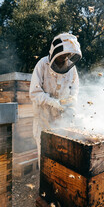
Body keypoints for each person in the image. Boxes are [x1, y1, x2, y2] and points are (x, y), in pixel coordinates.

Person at [29, 33, 82, 168]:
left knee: (62, 157)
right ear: (54, 52)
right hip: (43, 118)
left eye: (66, 55)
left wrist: (72, 101)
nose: (63, 58)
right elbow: (34, 93)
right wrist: (53, 102)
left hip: (62, 120)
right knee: (45, 156)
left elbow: (75, 89)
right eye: (61, 55)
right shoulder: (42, 64)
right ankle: (45, 186)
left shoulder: (72, 69)